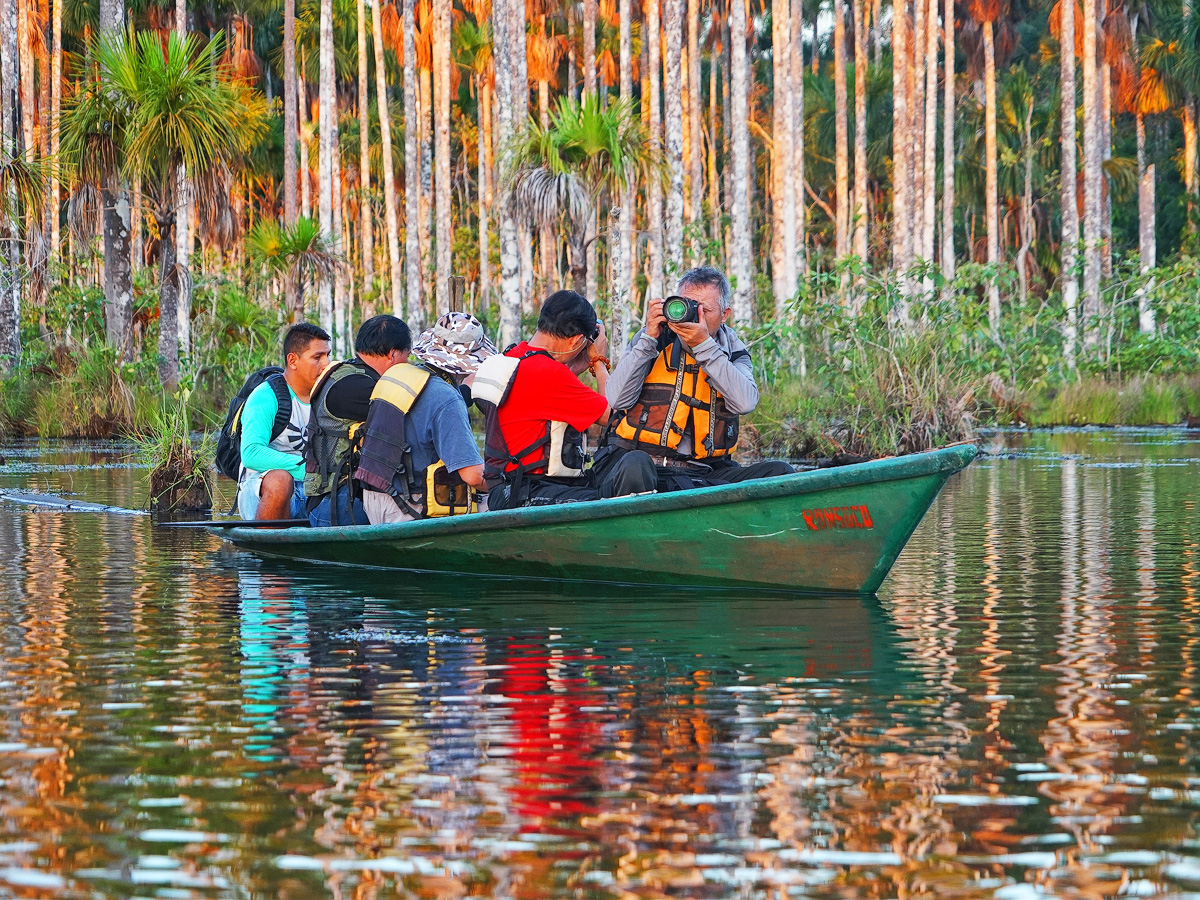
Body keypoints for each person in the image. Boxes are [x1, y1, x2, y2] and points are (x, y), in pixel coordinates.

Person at [602, 265, 793, 489]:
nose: (694, 316)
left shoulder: (732, 350)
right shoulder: (653, 338)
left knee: (782, 473)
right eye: (689, 306)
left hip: (704, 472)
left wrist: (704, 346)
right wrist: (648, 338)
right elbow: (617, 400)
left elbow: (745, 402)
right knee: (635, 464)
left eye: (705, 309)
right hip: (645, 467)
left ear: (725, 315)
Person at [478, 289, 657, 510]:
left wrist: (573, 369)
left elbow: (538, 401)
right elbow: (612, 415)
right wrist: (598, 361)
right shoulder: (549, 373)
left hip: (507, 488)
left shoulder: (513, 356)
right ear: (576, 341)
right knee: (635, 464)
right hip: (528, 493)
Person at [353, 312, 492, 524]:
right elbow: (472, 475)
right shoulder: (446, 397)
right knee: (499, 496)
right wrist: (507, 482)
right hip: (408, 506)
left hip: (374, 499)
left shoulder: (399, 376)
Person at [304, 315, 412, 526]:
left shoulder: (352, 376)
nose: (407, 364)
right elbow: (418, 412)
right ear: (392, 354)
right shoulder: (356, 387)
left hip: (348, 498)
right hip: (337, 503)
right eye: (406, 357)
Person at [237, 323, 331, 520]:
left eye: (327, 355)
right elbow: (250, 453)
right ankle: (265, 545)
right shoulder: (266, 395)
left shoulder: (328, 395)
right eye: (317, 357)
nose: (326, 364)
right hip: (263, 489)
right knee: (281, 480)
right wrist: (306, 467)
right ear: (293, 360)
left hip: (313, 487)